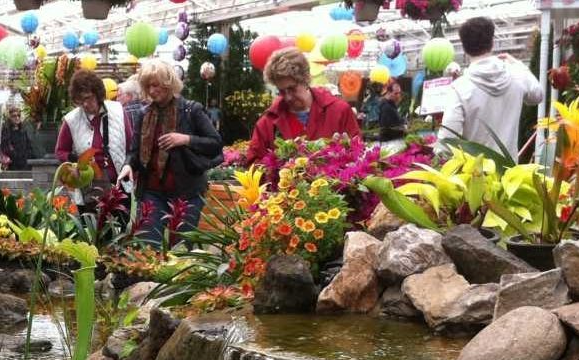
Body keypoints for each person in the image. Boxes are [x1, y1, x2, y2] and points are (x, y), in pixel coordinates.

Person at [117, 59, 223, 242]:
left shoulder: (191, 110)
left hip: (186, 192)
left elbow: (215, 143)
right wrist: (128, 165)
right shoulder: (144, 114)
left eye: (156, 85)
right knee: (148, 247)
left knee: (181, 249)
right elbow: (135, 150)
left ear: (168, 83)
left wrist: (185, 139)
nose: (151, 91)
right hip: (151, 191)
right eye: (148, 86)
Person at [437, 17, 542, 158]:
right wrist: (517, 64)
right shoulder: (516, 76)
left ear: (464, 48)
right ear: (492, 42)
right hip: (510, 172)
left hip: (474, 175)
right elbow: (537, 95)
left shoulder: (459, 88)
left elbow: (446, 142)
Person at [246, 47, 361, 166]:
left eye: (292, 89)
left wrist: (345, 152)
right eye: (282, 91)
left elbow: (359, 156)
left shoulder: (339, 111)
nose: (288, 97)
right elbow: (254, 164)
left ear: (306, 80)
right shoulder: (267, 122)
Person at [56, 70, 134, 190]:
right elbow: (61, 151)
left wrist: (129, 167)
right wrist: (77, 161)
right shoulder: (71, 120)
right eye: (80, 101)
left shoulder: (118, 111)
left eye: (88, 98)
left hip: (120, 185)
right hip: (88, 189)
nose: (85, 104)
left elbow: (131, 146)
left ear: (97, 94)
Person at [0, 107, 34, 171]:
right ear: (9, 117)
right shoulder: (6, 131)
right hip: (12, 164)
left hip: (24, 163)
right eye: (14, 116)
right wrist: (13, 154)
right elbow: (4, 146)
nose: (17, 118)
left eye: (18, 115)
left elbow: (28, 145)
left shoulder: (23, 130)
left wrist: (27, 156)